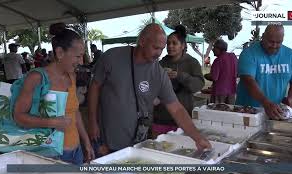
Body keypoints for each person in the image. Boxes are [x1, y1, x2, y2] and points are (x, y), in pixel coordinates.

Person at [88, 23, 211, 157]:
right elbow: (94, 87)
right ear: (142, 41)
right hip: (106, 140)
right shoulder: (112, 57)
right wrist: (92, 122)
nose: (158, 53)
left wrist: (197, 137)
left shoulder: (159, 73)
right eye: (155, 47)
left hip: (137, 142)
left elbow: (176, 108)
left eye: (161, 49)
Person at [13, 23, 94, 165]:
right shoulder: (37, 78)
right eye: (78, 56)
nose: (81, 61)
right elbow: (18, 116)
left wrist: (86, 142)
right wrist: (52, 122)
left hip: (75, 151)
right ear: (60, 52)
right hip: (50, 156)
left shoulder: (71, 76)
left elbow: (75, 112)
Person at [235, 24, 292, 120]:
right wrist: (266, 103)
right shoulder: (249, 53)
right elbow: (248, 81)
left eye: (278, 42)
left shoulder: (291, 55)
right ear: (263, 36)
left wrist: (290, 98)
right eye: (271, 42)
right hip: (247, 112)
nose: (274, 46)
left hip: (275, 113)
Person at [152, 25, 204, 137]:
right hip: (161, 117)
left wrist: (180, 76)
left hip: (182, 119)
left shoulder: (192, 63)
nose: (170, 46)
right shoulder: (161, 63)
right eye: (168, 43)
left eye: (174, 43)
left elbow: (198, 85)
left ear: (183, 46)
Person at [204, 39, 237, 104]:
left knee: (218, 112)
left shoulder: (218, 60)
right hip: (232, 91)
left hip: (219, 92)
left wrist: (205, 75)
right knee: (230, 111)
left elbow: (214, 77)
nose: (212, 50)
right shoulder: (233, 57)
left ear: (219, 48)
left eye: (214, 47)